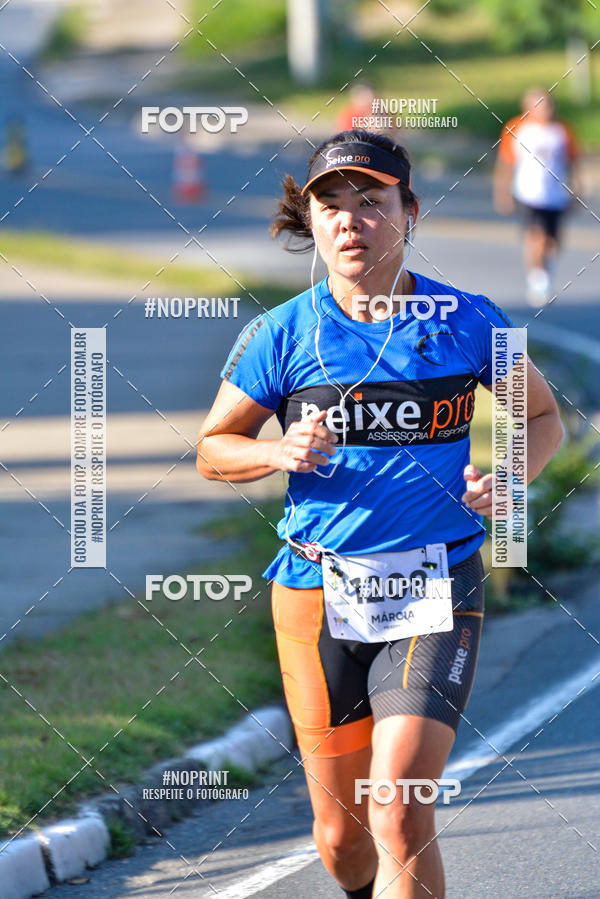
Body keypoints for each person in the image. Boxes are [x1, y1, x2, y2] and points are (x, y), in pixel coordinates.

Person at [196, 130, 564, 898]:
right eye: (330, 205)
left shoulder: (467, 320)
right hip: (315, 590)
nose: (349, 222)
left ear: (410, 213)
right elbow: (213, 448)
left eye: (371, 203)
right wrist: (277, 452)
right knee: (343, 838)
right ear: (312, 221)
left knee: (397, 809)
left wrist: (510, 482)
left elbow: (541, 418)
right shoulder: (282, 333)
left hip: (436, 586)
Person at [493, 88, 581, 306]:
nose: (545, 109)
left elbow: (572, 164)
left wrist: (577, 191)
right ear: (528, 107)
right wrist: (503, 192)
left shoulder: (562, 131)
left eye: (548, 104)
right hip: (528, 193)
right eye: (539, 104)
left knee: (553, 241)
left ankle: (544, 269)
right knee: (537, 236)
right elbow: (505, 163)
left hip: (555, 195)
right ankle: (537, 279)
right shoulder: (516, 129)